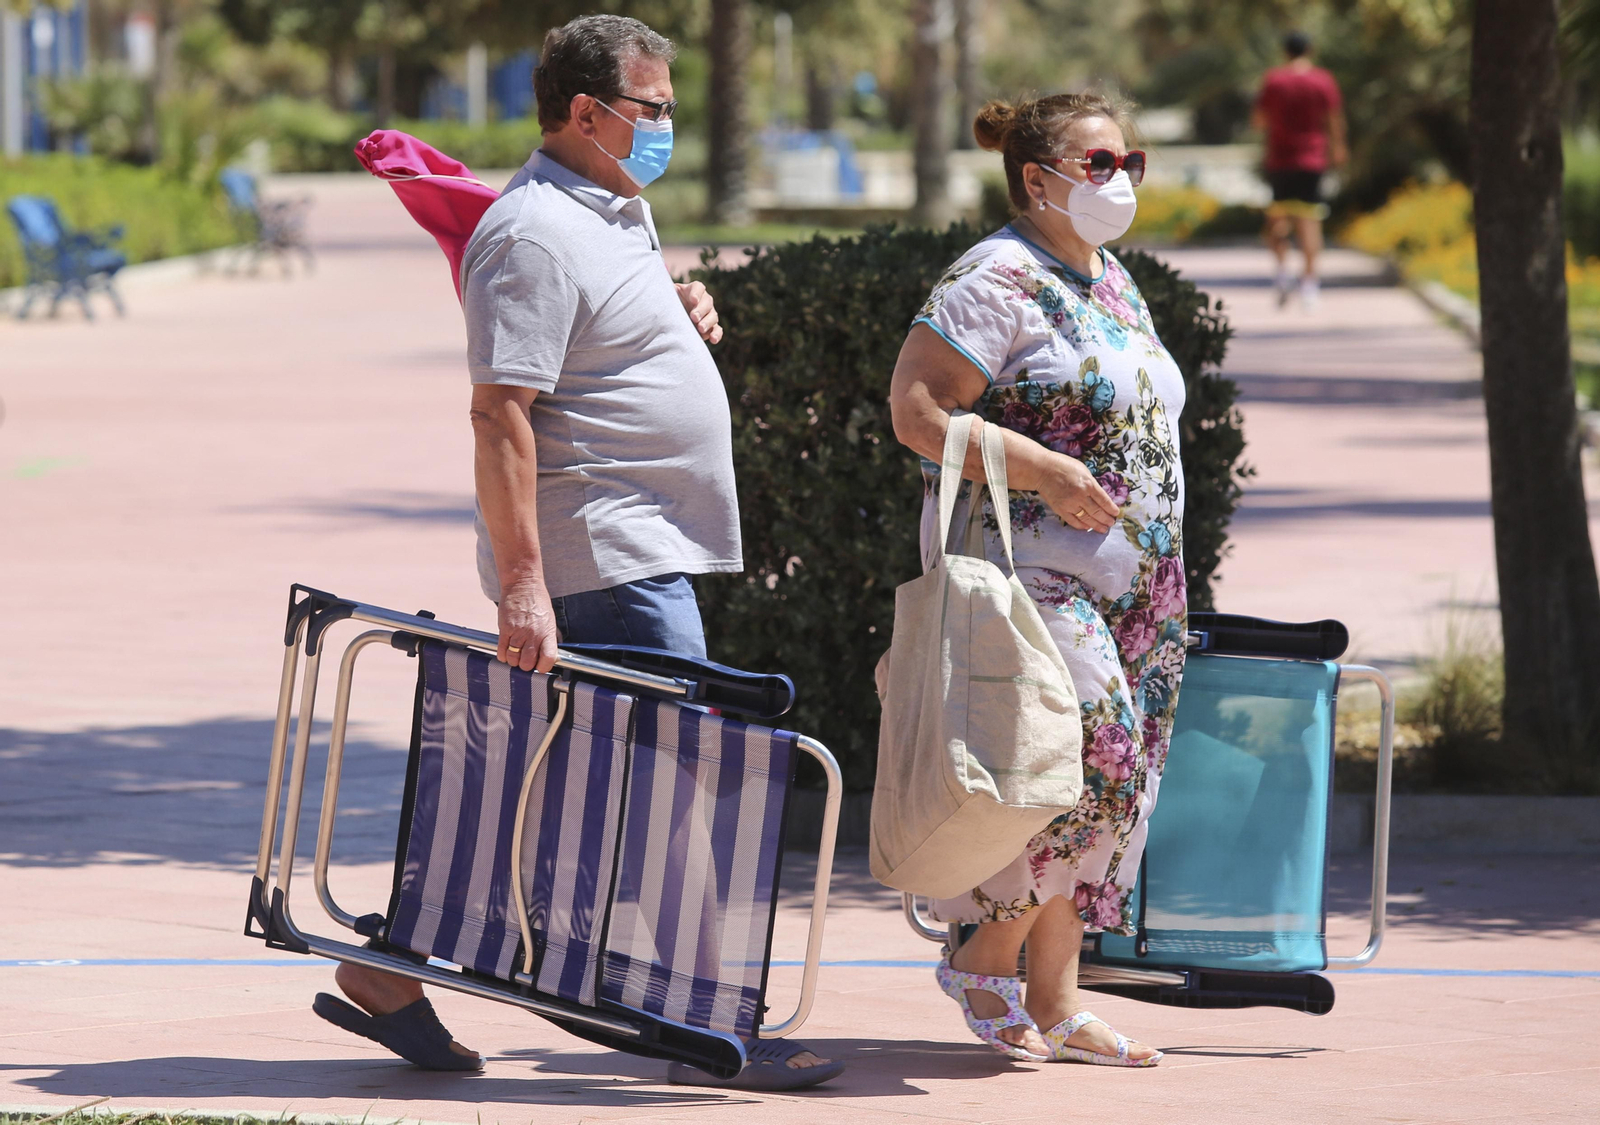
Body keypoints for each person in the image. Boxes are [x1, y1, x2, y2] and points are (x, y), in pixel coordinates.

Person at [312, 13, 842, 1093]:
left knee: (564, 784)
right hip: (606, 554)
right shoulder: (534, 233)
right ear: (588, 112)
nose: (670, 126)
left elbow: (594, 345)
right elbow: (500, 413)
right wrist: (524, 586)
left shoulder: (612, 211)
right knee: (677, 786)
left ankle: (388, 967)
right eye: (655, 109)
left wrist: (675, 310)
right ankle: (706, 1023)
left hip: (638, 545)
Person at [887, 92, 1187, 1066]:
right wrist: (1045, 470)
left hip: (1139, 589)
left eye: (1129, 162)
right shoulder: (995, 277)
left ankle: (1058, 1000)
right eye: (1098, 163)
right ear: (1036, 177)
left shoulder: (1111, 278)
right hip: (1030, 575)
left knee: (1123, 788)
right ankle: (984, 952)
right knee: (1092, 760)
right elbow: (917, 412)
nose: (1120, 179)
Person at [1253, 30, 1347, 310]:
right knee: (1310, 221)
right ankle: (1309, 285)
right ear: (1310, 50)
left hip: (1280, 160)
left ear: (1285, 52)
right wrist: (1338, 148)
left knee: (1277, 220)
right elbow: (1333, 119)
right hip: (1312, 160)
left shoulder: (1274, 80)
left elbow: (1258, 121)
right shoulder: (1323, 80)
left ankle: (1283, 272)